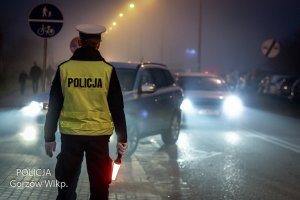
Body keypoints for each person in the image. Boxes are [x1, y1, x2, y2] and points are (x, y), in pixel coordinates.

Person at [44, 24, 128, 200]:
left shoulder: (64, 69)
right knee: (99, 188)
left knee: (66, 187)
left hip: (70, 135)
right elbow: (117, 107)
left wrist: (49, 137)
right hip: (99, 137)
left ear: (80, 42)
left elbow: (54, 106)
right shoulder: (107, 71)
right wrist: (122, 138)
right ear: (98, 44)